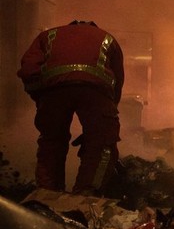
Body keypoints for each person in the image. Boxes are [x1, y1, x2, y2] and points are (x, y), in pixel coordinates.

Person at [17, 20, 124, 194]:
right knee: (102, 144)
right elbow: (117, 83)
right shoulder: (108, 38)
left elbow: (28, 70)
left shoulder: (48, 35)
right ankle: (87, 194)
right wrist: (102, 123)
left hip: (54, 92)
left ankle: (47, 193)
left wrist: (41, 98)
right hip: (96, 93)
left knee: (51, 141)